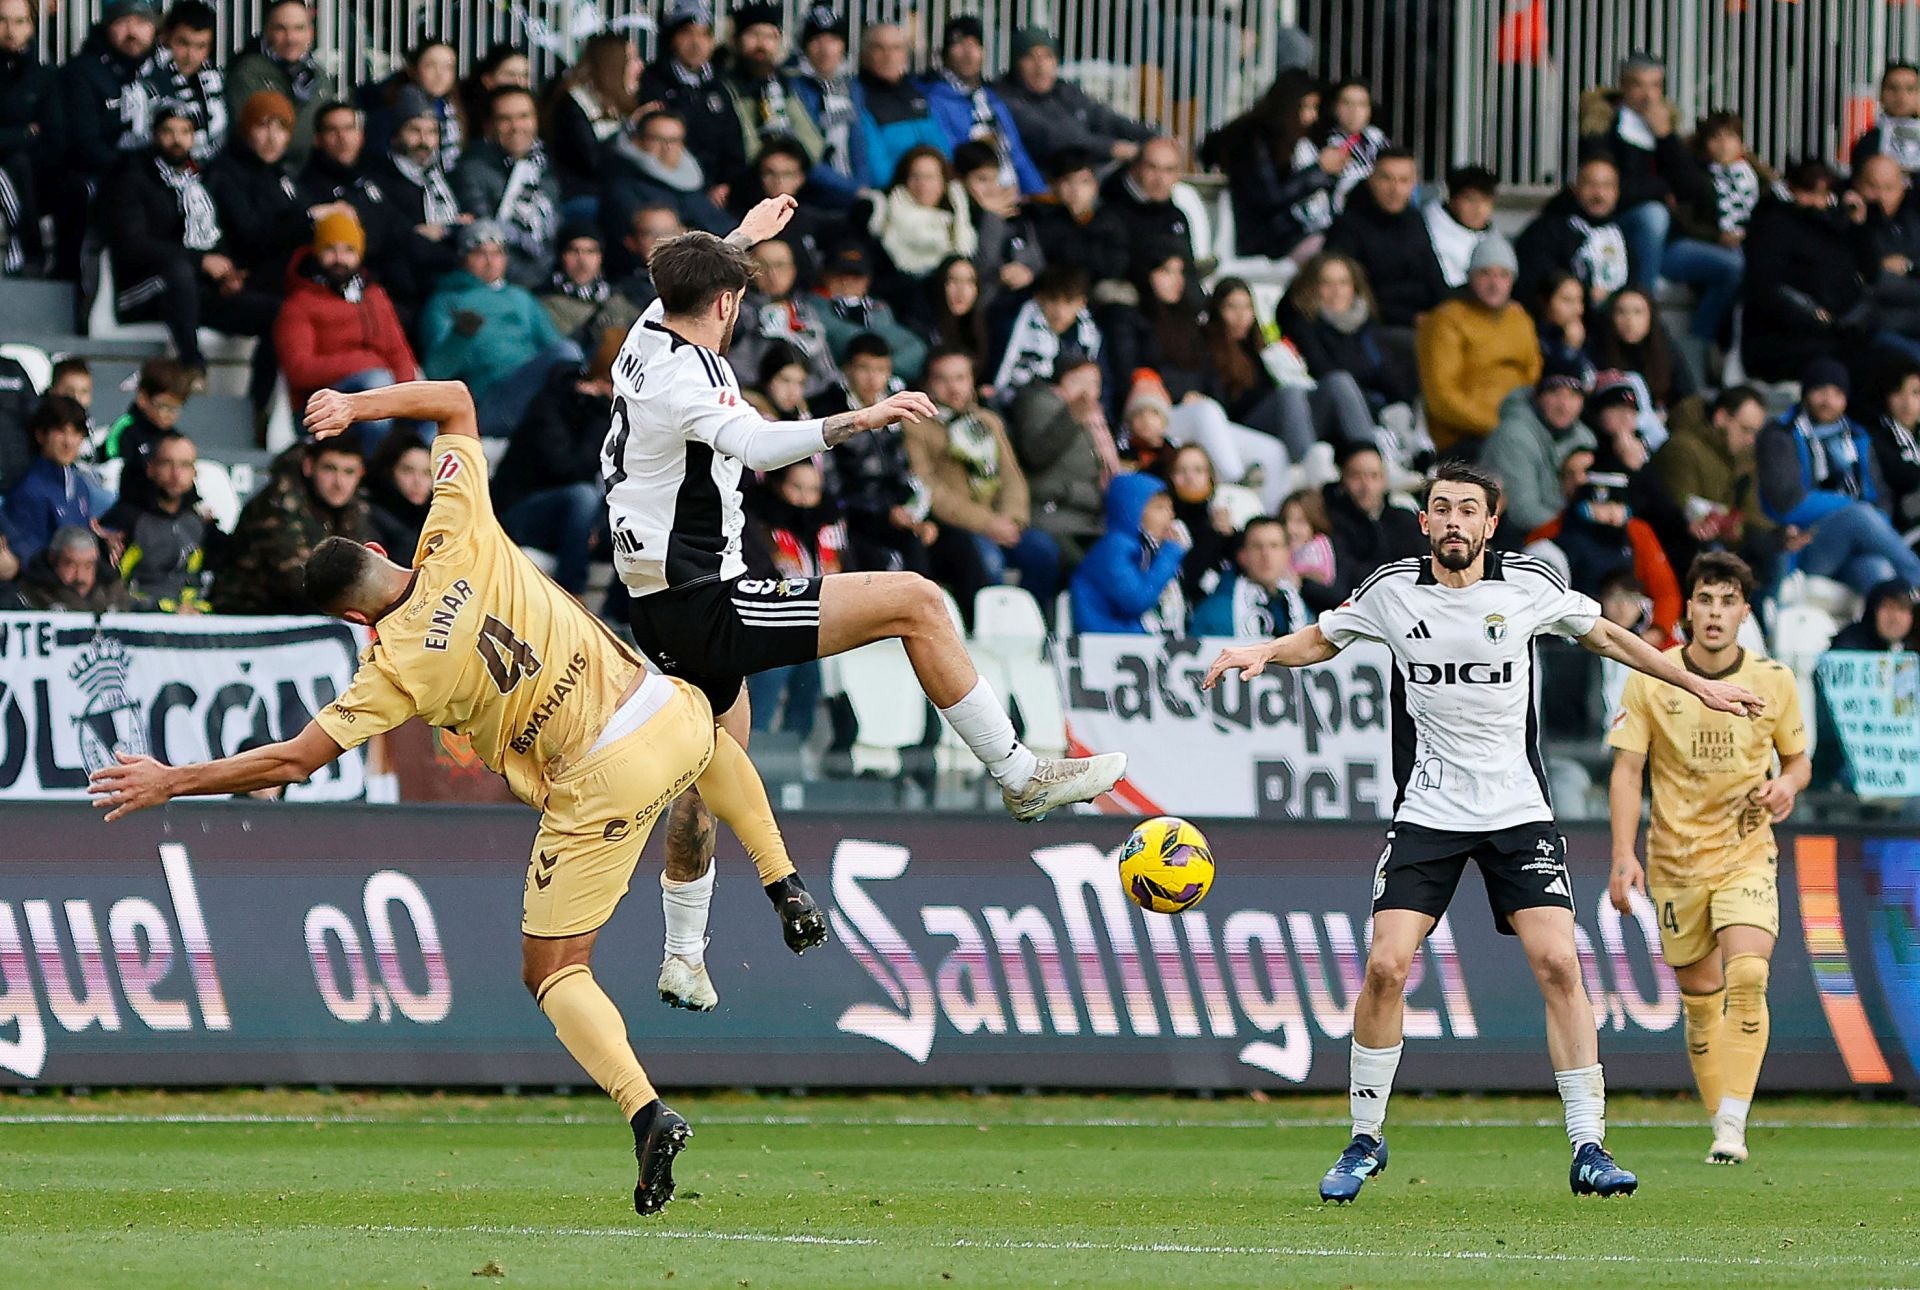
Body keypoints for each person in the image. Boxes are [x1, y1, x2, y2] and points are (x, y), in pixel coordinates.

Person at [91, 378, 818, 1219]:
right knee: (708, 735)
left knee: (552, 970)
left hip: (595, 774)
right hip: (657, 707)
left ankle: (646, 1112)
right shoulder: (457, 530)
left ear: (353, 620)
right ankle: (782, 880)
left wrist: (172, 781)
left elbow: (292, 762)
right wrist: (355, 411)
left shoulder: (392, 663)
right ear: (380, 553)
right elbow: (461, 401)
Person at [603, 198, 1126, 1006]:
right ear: (729, 304)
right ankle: (1019, 773)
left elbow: (698, 278)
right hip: (708, 598)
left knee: (712, 771)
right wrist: (862, 417)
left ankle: (681, 955)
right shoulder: (692, 380)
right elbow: (759, 444)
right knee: (916, 599)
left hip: (658, 599)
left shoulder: (648, 334)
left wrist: (743, 235)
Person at [1203, 461, 1768, 1205]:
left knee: (1560, 964)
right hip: (1428, 812)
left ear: (1490, 523)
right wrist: (1263, 651)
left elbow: (1606, 636)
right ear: (1426, 522)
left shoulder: (1527, 583)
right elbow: (1326, 637)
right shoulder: (1392, 589)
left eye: (1469, 510)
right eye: (1442, 509)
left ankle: (1589, 1144)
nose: (1455, 522)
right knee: (1385, 967)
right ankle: (1365, 1138)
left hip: (1517, 810)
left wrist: (1697, 683)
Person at [1608, 552, 1808, 1166]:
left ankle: (1733, 1125)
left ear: (1745, 612)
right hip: (1673, 860)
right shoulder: (1652, 676)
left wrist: (1787, 786)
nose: (1715, 613)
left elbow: (1798, 760)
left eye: (1728, 602)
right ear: (1687, 608)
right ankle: (1719, 1112)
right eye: (1705, 600)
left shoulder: (1774, 680)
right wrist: (1622, 856)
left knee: (1748, 976)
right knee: (1701, 1000)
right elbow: (1627, 768)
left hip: (1746, 851)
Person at [103, 107, 281, 391]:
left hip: (197, 294)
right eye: (168, 132)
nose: (177, 140)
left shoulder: (203, 182)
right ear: (154, 136)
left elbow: (220, 238)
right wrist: (200, 262)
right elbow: (132, 246)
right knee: (180, 273)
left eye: (185, 132)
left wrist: (227, 273)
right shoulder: (133, 179)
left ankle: (258, 405)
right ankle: (193, 368)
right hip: (144, 290)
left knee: (276, 313)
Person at [907, 347, 1061, 610]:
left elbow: (1011, 476)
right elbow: (928, 487)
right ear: (927, 384)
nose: (953, 388)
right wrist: (986, 523)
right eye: (942, 379)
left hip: (1001, 520)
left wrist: (1011, 519)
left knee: (1044, 552)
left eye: (960, 378)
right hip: (955, 525)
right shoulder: (914, 424)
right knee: (989, 563)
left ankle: (1030, 623)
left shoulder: (987, 420)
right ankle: (985, 633)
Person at [1757, 359, 1920, 595]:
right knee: (1859, 515)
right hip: (1805, 543)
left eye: (1836, 393)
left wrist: (1871, 523)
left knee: (1880, 573)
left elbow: (1880, 497)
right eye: (1820, 391)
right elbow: (1785, 502)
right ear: (1805, 393)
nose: (1828, 400)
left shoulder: (1857, 436)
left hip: (1854, 545)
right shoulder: (1781, 434)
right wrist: (1853, 510)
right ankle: (1917, 574)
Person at [274, 206, 420, 453]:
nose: (340, 258)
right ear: (317, 252)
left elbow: (399, 353)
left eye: (348, 250)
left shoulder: (375, 297)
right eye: (331, 249)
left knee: (428, 414)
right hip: (319, 408)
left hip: (378, 394)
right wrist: (365, 364)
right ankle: (369, 479)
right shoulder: (298, 304)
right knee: (376, 383)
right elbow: (300, 369)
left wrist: (407, 399)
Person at [420, 221, 580, 439]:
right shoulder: (446, 301)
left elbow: (557, 348)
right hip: (488, 402)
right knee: (566, 352)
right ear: (463, 257)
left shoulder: (521, 297)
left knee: (572, 357)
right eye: (480, 253)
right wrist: (461, 335)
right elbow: (436, 372)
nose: (489, 261)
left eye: (497, 253)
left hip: (532, 390)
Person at [493, 334, 620, 596]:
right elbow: (566, 468)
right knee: (582, 498)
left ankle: (619, 617)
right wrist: (600, 414)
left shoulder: (613, 416)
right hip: (519, 510)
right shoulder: (553, 401)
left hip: (579, 519)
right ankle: (574, 597)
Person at [1739, 159, 1880, 383]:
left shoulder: (1836, 225)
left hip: (1839, 335)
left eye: (1823, 195)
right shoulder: (1772, 224)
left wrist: (1858, 226)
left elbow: (1871, 271)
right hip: (1784, 339)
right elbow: (1765, 288)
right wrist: (1814, 316)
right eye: (1809, 192)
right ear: (1790, 189)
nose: (1817, 202)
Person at [1576, 53, 1704, 291]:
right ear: (1623, 86)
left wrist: (1666, 137)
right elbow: (1611, 189)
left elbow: (1692, 189)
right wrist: (1662, 190)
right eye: (1638, 85)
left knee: (1730, 266)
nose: (1648, 95)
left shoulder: (1667, 125)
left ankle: (1700, 330)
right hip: (1618, 228)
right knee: (1653, 215)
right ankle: (1644, 302)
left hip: (1667, 239)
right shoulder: (1603, 125)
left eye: (1655, 86)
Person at [52, 0, 156, 279]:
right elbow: (84, 145)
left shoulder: (161, 70)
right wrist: (137, 172)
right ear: (107, 25)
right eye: (123, 21)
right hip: (104, 176)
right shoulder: (82, 71)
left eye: (143, 22)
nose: (133, 32)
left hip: (156, 174)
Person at [1416, 234, 1543, 455]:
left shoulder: (1520, 320)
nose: (1495, 284)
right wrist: (1496, 426)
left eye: (1503, 275)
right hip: (1465, 436)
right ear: (1470, 276)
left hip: (1518, 429)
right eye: (1485, 274)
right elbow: (1442, 397)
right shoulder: (1446, 320)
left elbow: (1534, 377)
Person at [213, 436, 372, 613]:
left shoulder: (355, 507)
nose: (339, 483)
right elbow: (294, 580)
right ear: (309, 466)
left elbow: (363, 568)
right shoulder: (277, 502)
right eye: (329, 469)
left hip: (314, 614)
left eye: (349, 472)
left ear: (361, 474)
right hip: (248, 614)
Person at [1276, 251, 1417, 448]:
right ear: (1313, 288)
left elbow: (1388, 373)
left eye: (1343, 283)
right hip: (1323, 408)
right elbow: (1324, 371)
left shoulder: (1365, 321)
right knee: (1340, 381)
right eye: (1327, 283)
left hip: (1372, 406)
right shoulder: (1302, 323)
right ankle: (1370, 455)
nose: (1337, 291)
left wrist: (1398, 404)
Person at [1201, 68, 1340, 263]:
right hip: (1265, 240)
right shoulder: (1253, 142)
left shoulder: (1289, 142)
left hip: (1287, 233)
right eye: (1306, 107)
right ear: (1288, 107)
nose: (1312, 117)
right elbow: (1270, 197)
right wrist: (1319, 171)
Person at [1530, 471, 1683, 646]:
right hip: (1570, 637)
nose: (1610, 514)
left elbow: (1666, 592)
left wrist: (1654, 633)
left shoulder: (1637, 533)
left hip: (1628, 636)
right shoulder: (1554, 534)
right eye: (1601, 505)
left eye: (1616, 505)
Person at [720, 4, 850, 207]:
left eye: (770, 36)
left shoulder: (782, 82)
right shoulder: (725, 85)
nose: (762, 44)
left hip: (795, 186)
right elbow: (746, 145)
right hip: (748, 190)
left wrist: (791, 160)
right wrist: (776, 163)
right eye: (753, 34)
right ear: (736, 39)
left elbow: (812, 142)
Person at [362, 95, 466, 315]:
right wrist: (452, 230)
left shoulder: (447, 179)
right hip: (407, 291)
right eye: (414, 131)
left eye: (431, 132)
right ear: (396, 136)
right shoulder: (380, 181)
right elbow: (401, 240)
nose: (424, 140)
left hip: (451, 282)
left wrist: (445, 231)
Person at [1007, 356, 1114, 569]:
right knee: (1091, 570)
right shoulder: (1042, 403)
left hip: (1088, 518)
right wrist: (1070, 418)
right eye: (1079, 381)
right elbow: (1036, 455)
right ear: (1060, 380)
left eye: (1094, 383)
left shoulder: (1095, 419)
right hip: (1052, 515)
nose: (1087, 391)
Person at [1325, 148, 1448, 331]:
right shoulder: (1348, 226)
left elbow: (1434, 277)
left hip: (1426, 322)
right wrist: (1412, 319)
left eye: (1403, 180)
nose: (1395, 189)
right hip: (1376, 328)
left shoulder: (1415, 220)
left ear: (1413, 184)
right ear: (1372, 180)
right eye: (1386, 179)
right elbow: (1353, 295)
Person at [994, 26, 1153, 168]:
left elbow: (1106, 119)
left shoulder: (1065, 90)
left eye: (1047, 56)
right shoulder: (1006, 98)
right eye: (1030, 57)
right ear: (1016, 63)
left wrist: (1154, 138)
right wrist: (1112, 148)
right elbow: (1052, 137)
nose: (1040, 66)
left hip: (1087, 172)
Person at [203, 90, 312, 296]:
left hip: (283, 276)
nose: (272, 137)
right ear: (246, 129)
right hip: (242, 280)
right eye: (262, 125)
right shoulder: (225, 174)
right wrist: (307, 219)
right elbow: (252, 239)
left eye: (281, 127)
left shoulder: (283, 173)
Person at [922, 16, 1043, 198]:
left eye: (974, 45)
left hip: (1013, 195)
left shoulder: (991, 99)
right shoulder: (934, 99)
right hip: (974, 198)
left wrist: (1039, 195)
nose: (968, 53)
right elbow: (949, 155)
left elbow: (1017, 154)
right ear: (945, 54)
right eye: (959, 45)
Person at [1652, 384, 1772, 567]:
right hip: (1683, 547)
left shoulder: (1743, 459)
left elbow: (1751, 513)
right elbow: (1683, 509)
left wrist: (1778, 535)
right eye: (1746, 429)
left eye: (1755, 433)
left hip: (1726, 543)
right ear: (1722, 417)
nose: (1751, 440)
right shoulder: (1682, 448)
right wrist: (1733, 524)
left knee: (1771, 552)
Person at [452, 86, 559, 289]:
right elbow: (484, 233)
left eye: (524, 116)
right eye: (505, 119)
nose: (516, 126)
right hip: (498, 285)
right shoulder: (473, 169)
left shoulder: (544, 167)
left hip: (547, 281)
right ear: (489, 126)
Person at [1481, 353, 1598, 536]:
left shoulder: (1585, 438)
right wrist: (1578, 532)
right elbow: (1523, 513)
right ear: (1539, 396)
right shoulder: (1513, 435)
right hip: (1515, 537)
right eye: (1555, 393)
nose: (1564, 405)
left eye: (1573, 395)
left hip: (1565, 528)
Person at [101, 429, 214, 612]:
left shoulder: (198, 524)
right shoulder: (124, 520)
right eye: (167, 463)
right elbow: (108, 588)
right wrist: (165, 611)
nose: (176, 474)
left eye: (185, 465)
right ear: (151, 468)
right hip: (139, 622)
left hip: (191, 620)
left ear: (194, 472)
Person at [1070, 472, 1187, 633]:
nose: (1170, 515)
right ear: (1132, 512)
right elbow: (1136, 600)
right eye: (1160, 508)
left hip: (1130, 640)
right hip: (1105, 642)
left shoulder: (1145, 549)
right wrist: (1170, 553)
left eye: (1170, 508)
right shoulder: (1114, 548)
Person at [225, 0, 334, 167]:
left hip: (310, 180)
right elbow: (250, 137)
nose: (291, 38)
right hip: (260, 174)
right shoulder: (247, 73)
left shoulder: (319, 76)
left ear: (311, 33)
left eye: (299, 28)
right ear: (267, 31)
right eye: (281, 28)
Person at [1316, 440, 1425, 607]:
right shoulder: (1328, 523)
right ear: (1342, 479)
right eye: (1357, 476)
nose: (1366, 486)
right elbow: (1347, 577)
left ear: (1384, 479)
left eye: (1374, 476)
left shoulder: (1404, 519)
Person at [730, 236, 841, 398]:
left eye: (780, 265)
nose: (772, 274)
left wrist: (795, 392)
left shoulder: (805, 312)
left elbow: (826, 373)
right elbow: (737, 370)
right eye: (763, 266)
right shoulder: (738, 310)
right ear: (749, 271)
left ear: (792, 271)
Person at [1515, 154, 1632, 307]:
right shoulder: (1545, 231)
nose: (1599, 194)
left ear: (1617, 192)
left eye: (1607, 186)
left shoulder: (1621, 235)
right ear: (1575, 188)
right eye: (1591, 185)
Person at [601, 109, 732, 246]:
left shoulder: (693, 186)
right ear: (637, 141)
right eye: (658, 139)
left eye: (675, 140)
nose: (668, 147)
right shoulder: (624, 187)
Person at [545, 32, 639, 215]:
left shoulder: (618, 102)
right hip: (582, 195)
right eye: (632, 59)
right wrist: (630, 128)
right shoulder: (573, 104)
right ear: (612, 64)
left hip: (620, 190)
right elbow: (593, 162)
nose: (640, 66)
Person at [120, 0, 224, 162]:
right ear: (165, 37)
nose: (191, 55)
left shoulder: (213, 80)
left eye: (200, 46)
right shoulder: (145, 77)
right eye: (183, 43)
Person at [854, 23, 947, 194]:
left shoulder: (916, 93)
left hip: (933, 191)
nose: (889, 56)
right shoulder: (859, 97)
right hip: (895, 194)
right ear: (865, 54)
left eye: (896, 48)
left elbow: (942, 149)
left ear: (905, 54)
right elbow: (876, 167)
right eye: (879, 48)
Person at [815, 239, 927, 379]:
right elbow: (846, 339)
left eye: (856, 275)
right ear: (825, 275)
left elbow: (916, 350)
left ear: (867, 280)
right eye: (840, 274)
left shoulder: (878, 308)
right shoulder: (812, 305)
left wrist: (877, 371)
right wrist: (879, 365)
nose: (847, 282)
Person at [0, 0, 57, 277]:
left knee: (18, 163)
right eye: (2, 20)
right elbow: (33, 133)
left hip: (33, 172)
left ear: (32, 26)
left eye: (20, 21)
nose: (10, 30)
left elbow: (51, 134)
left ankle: (24, 250)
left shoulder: (44, 76)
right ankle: (28, 250)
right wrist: (23, 133)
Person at [990, 263, 1100, 404]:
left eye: (1069, 302)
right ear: (1040, 298)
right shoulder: (1016, 324)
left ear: (1081, 303)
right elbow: (1000, 376)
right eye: (1054, 301)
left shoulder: (1090, 334)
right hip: (1023, 403)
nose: (1060, 312)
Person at [6, 396, 98, 562]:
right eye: (61, 431)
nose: (69, 442)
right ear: (41, 435)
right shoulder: (29, 491)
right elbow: (32, 559)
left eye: (76, 433)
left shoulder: (80, 484)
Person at [1028, 146, 1131, 291]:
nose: (1076, 190)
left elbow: (1116, 265)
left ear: (1095, 185)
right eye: (1068, 181)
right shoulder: (1038, 218)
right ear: (1053, 185)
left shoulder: (1110, 220)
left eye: (1084, 182)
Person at [1191, 514, 1307, 639]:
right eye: (1257, 547)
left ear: (1287, 554)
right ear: (1242, 556)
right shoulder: (1213, 611)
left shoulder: (1301, 607)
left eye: (1274, 546)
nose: (1266, 555)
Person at [868, 145, 976, 277]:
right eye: (915, 177)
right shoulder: (883, 216)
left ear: (943, 183)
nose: (922, 184)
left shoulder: (958, 219)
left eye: (929, 177)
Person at [788, 6, 862, 192]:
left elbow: (860, 143)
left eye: (833, 39)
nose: (825, 49)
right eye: (816, 39)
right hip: (812, 192)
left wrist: (864, 186)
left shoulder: (852, 87)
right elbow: (805, 155)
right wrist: (853, 190)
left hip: (854, 189)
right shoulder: (792, 88)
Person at [1101, 136, 1197, 277]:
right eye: (1152, 168)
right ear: (1135, 168)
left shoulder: (1177, 217)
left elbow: (1188, 274)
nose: (1160, 178)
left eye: (1169, 170)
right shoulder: (1111, 215)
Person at [539, 222, 643, 351]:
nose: (583, 260)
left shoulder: (617, 299)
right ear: (561, 256)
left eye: (591, 251)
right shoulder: (544, 303)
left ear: (600, 257)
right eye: (574, 251)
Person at [19, 523, 128, 611]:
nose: (80, 577)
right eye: (71, 565)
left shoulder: (113, 591)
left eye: (88, 566)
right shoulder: (29, 597)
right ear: (52, 559)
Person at [1867, 362, 1920, 537]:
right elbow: (1905, 477)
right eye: (1898, 392)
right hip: (1901, 520)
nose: (1907, 403)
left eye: (1916, 393)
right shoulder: (1877, 438)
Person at [1424, 164, 1497, 289]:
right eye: (1470, 200)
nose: (1478, 208)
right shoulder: (1429, 234)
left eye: (1485, 200)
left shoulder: (1493, 238)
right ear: (1452, 200)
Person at [363, 428, 431, 557]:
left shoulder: (434, 520)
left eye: (426, 473)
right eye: (407, 470)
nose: (418, 481)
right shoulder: (370, 517)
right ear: (389, 472)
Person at [1851, 62, 1920, 176]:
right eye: (1893, 88)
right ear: (1881, 94)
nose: (1901, 96)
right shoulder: (1868, 143)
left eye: (1910, 89)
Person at [1830, 578, 1916, 651]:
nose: (1895, 617)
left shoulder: (1912, 646)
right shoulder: (1849, 646)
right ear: (1873, 610)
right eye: (1888, 607)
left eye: (1902, 609)